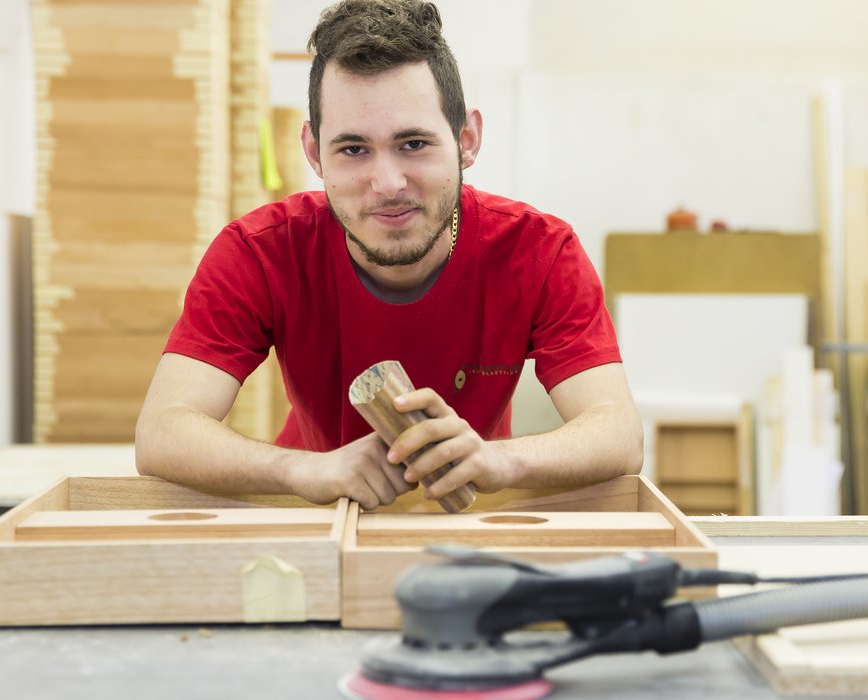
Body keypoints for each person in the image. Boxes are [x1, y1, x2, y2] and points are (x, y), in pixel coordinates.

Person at [134, 0, 642, 510]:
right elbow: (163, 431)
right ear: (313, 152)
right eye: (353, 149)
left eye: (414, 143)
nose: (387, 184)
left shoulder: (540, 252)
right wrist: (303, 468)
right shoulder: (258, 252)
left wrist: (498, 460)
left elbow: (618, 432)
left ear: (466, 139)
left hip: (463, 523)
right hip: (313, 520)